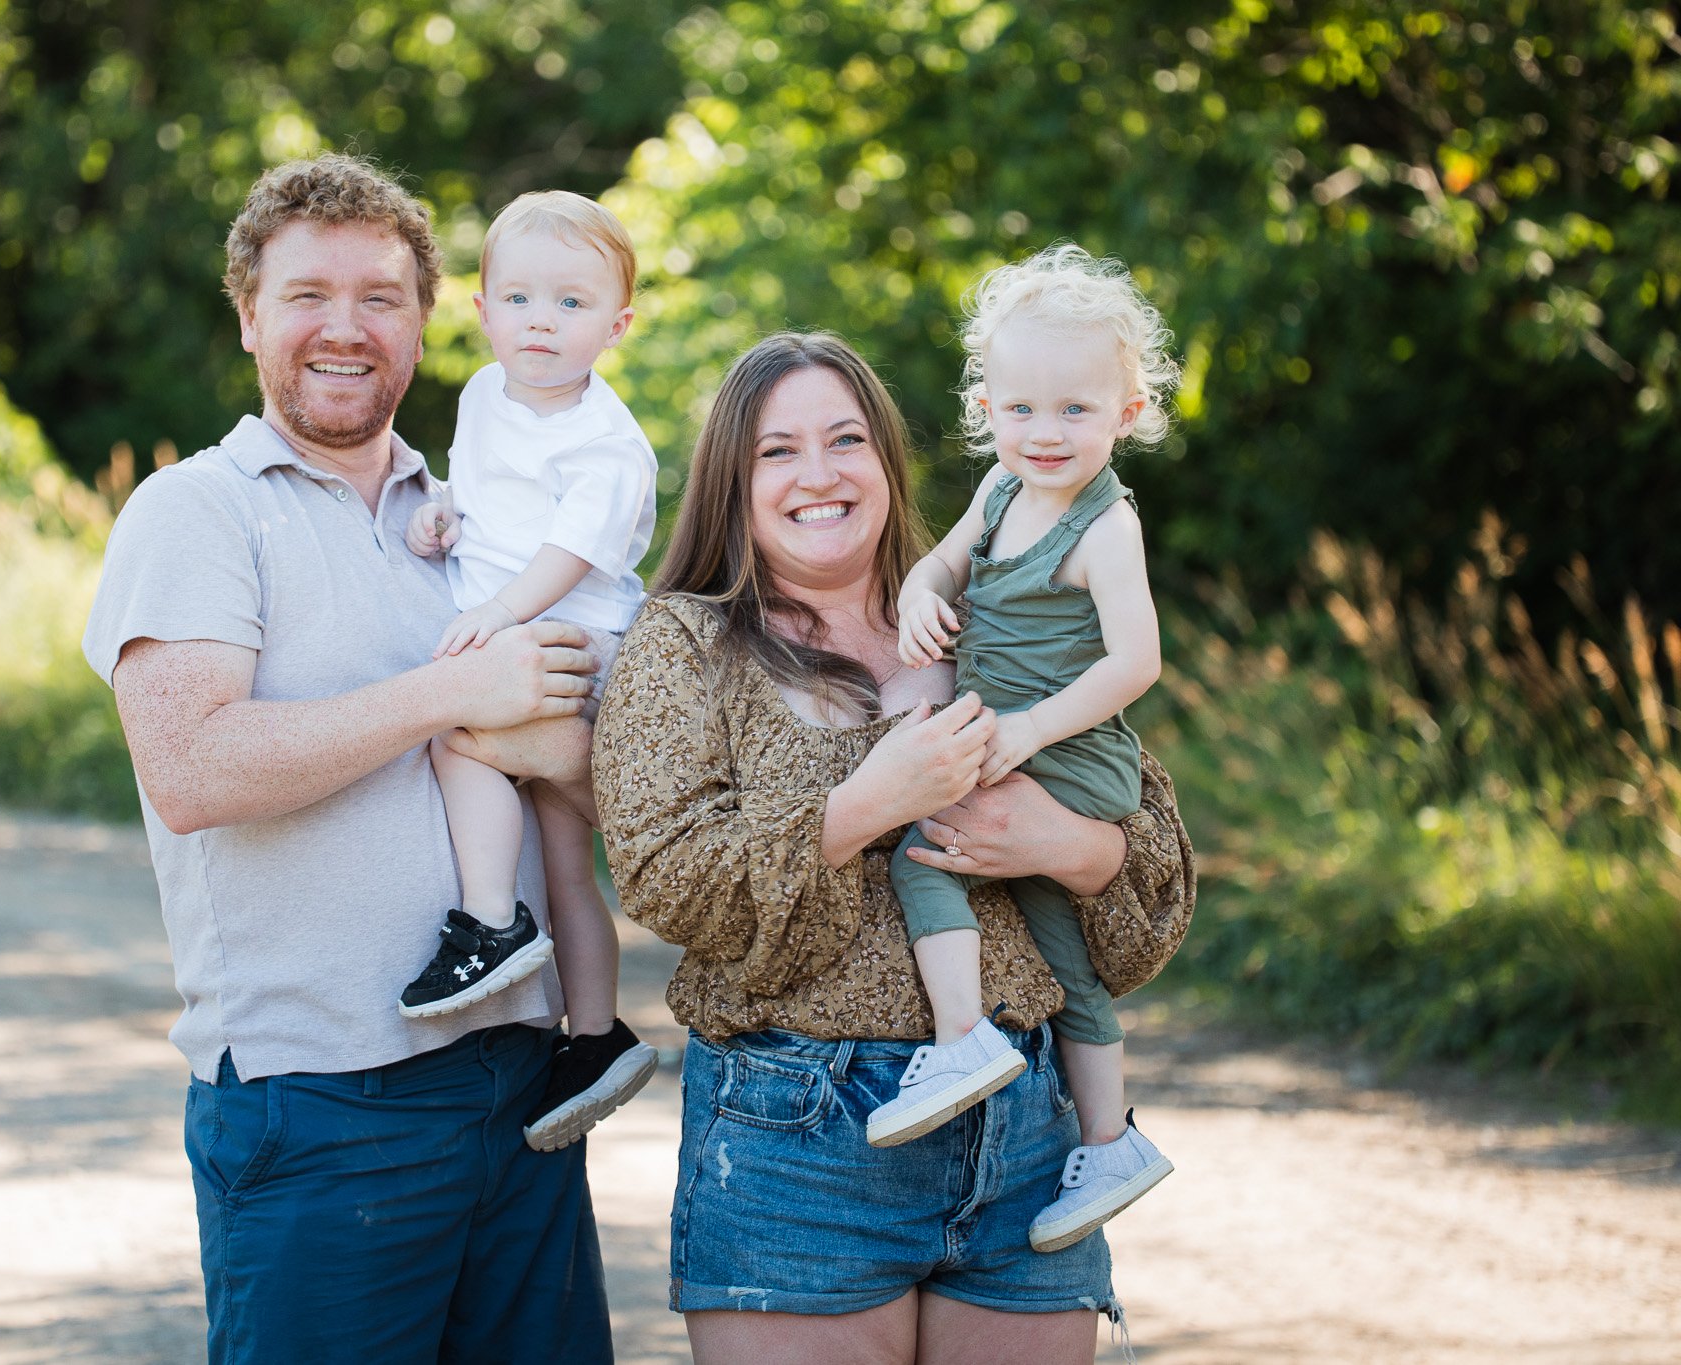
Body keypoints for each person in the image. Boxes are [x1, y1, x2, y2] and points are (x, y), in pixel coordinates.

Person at [81, 154, 613, 1363]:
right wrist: (450, 694)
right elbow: (194, 770)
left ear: (425, 323)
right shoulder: (196, 511)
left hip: (526, 1087)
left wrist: (557, 751)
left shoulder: (477, 516)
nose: (344, 328)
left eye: (378, 296)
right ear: (248, 315)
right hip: (324, 1102)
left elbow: (578, 788)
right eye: (306, 295)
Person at [593, 332, 1194, 1363]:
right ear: (731, 481)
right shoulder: (683, 642)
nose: (817, 474)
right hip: (796, 1144)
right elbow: (663, 876)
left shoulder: (996, 609)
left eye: (844, 440)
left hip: (1029, 1142)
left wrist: (1064, 845)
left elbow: (1148, 898)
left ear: (886, 459)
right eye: (777, 451)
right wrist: (867, 804)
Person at [871, 244, 1179, 1252]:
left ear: (1126, 413)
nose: (1042, 433)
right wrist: (919, 595)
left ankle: (960, 1039)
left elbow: (1135, 662)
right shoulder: (1000, 494)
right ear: (987, 407)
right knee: (1062, 954)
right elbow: (942, 564)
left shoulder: (1104, 526)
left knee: (922, 842)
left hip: (1067, 751)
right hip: (1017, 740)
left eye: (1073, 410)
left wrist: (1029, 732)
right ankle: (1106, 1140)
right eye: (1019, 409)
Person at [398, 191, 660, 1151]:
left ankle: (488, 922)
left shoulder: (606, 442)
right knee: (564, 864)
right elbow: (487, 498)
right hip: (518, 630)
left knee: (454, 734)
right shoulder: (481, 395)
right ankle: (593, 1036)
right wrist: (441, 510)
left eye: (571, 303)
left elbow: (572, 556)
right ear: (481, 309)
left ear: (617, 325)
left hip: (575, 644)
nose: (541, 321)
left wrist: (497, 614)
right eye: (519, 298)